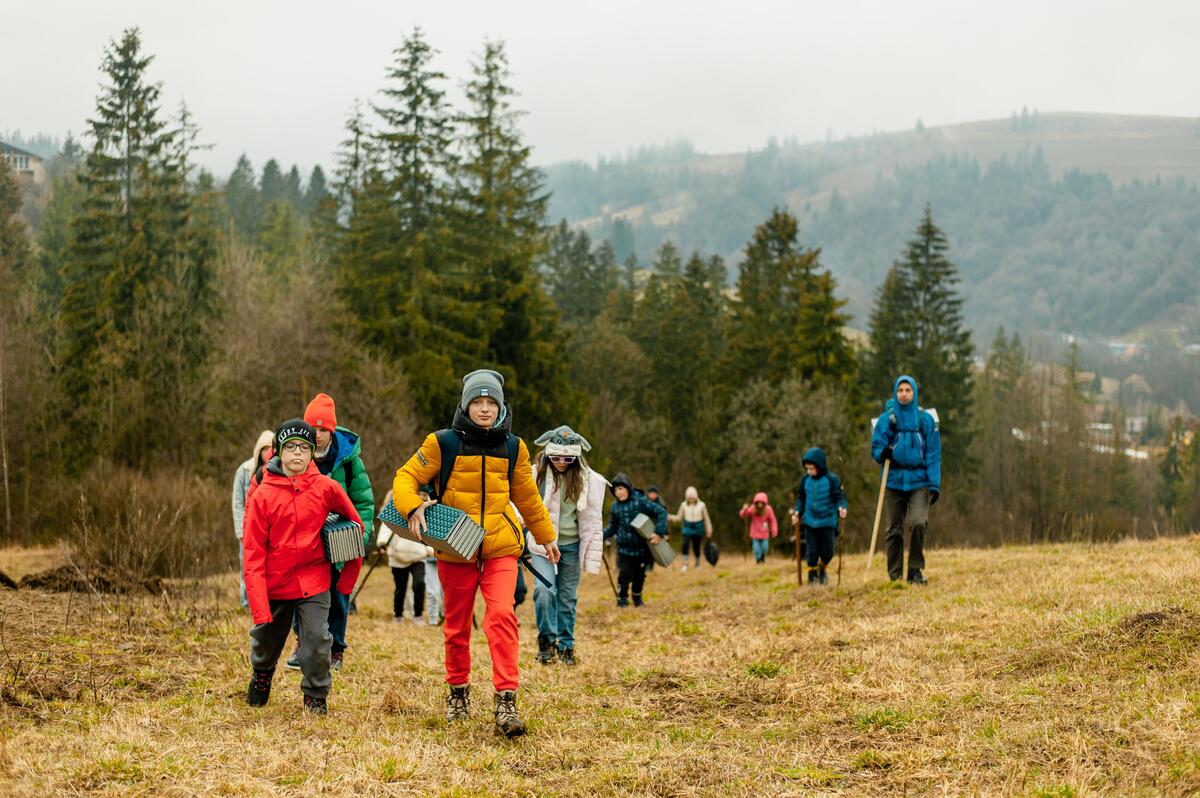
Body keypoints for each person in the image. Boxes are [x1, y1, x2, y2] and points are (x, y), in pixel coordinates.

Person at [392, 369, 559, 737]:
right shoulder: (442, 443)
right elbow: (404, 478)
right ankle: (458, 693)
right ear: (466, 405)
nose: (484, 409)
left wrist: (546, 535)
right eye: (477, 402)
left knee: (501, 616)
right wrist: (412, 505)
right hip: (455, 548)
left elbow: (527, 497)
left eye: (491, 402)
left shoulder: (515, 447)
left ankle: (506, 699)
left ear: (500, 406)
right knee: (456, 628)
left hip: (500, 547)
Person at [242, 419, 364, 715]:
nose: (298, 453)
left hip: (314, 580)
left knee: (317, 640)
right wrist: (259, 607)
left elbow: (355, 527)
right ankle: (262, 674)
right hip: (276, 581)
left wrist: (346, 584)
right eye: (291, 447)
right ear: (278, 452)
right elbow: (253, 555)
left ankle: (315, 695)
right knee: (267, 639)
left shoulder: (326, 488)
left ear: (312, 453)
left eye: (305, 447)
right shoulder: (263, 496)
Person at [285, 393, 374, 673]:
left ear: (332, 430)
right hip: (305, 542)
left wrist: (361, 535)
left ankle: (335, 649)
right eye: (315, 429)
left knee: (338, 597)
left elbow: (364, 502)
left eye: (324, 429)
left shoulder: (348, 461)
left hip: (340, 543)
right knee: (299, 594)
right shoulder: (298, 455)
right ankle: (302, 644)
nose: (319, 435)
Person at [526, 426, 607, 666]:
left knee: (567, 597)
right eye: (556, 457)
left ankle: (566, 646)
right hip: (543, 544)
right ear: (548, 454)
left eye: (568, 458)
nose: (562, 462)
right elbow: (521, 506)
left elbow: (593, 518)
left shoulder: (586, 479)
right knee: (544, 591)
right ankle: (546, 641)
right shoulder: (535, 475)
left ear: (576, 457)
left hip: (571, 545)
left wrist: (593, 548)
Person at [871, 375, 941, 585]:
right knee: (894, 529)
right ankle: (894, 575)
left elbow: (934, 453)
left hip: (919, 480)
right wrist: (883, 452)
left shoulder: (925, 420)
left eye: (907, 390)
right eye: (900, 390)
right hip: (893, 480)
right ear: (895, 392)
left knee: (919, 522)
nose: (903, 394)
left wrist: (934, 484)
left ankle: (915, 570)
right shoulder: (886, 420)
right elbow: (875, 447)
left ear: (914, 393)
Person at [603, 474, 668, 608]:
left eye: (620, 488)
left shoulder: (641, 501)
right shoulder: (615, 507)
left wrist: (659, 533)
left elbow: (661, 512)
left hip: (642, 548)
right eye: (615, 490)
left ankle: (638, 599)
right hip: (624, 549)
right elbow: (612, 527)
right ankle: (622, 600)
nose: (618, 492)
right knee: (624, 575)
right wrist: (599, 537)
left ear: (628, 487)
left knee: (639, 576)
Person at [790, 448, 848, 585]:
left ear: (820, 466)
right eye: (807, 469)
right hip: (810, 522)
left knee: (827, 553)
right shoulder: (805, 480)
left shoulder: (832, 480)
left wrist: (842, 508)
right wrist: (797, 512)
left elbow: (840, 497)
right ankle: (812, 576)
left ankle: (822, 569)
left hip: (827, 522)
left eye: (811, 468)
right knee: (812, 553)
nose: (809, 472)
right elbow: (801, 499)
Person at [377, 490, 434, 623]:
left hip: (418, 555)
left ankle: (418, 615)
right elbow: (386, 527)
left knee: (419, 584)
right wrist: (382, 543)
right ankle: (398, 615)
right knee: (400, 589)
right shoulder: (395, 511)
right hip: (398, 556)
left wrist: (429, 549)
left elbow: (427, 532)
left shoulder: (423, 511)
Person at [232, 429, 273, 608]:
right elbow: (238, 502)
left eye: (271, 448)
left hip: (267, 530)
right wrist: (241, 530)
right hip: (248, 529)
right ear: (258, 451)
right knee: (247, 566)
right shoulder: (245, 470)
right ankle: (246, 602)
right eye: (264, 449)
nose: (268, 453)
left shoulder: (277, 470)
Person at [669, 486, 713, 573]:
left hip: (698, 527)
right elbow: (679, 517)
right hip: (687, 527)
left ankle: (697, 564)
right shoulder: (683, 505)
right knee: (685, 545)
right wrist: (670, 517)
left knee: (696, 546)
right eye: (689, 497)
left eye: (692, 497)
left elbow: (706, 518)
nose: (691, 499)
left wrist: (709, 529)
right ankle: (685, 564)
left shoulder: (702, 505)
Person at [740, 492, 778, 563]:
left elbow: (773, 520)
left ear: (764, 503)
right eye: (758, 503)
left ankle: (762, 557)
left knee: (765, 548)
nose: (760, 505)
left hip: (764, 534)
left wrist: (774, 530)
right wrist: (744, 509)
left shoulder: (768, 509)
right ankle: (758, 560)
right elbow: (743, 515)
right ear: (756, 502)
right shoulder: (752, 508)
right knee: (756, 548)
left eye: (761, 503)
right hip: (755, 533)